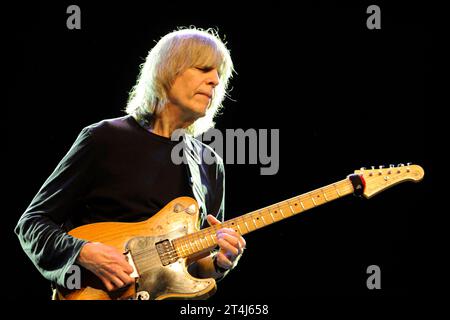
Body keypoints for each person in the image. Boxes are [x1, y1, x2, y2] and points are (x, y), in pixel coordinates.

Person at [14, 27, 246, 297]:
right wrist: (83, 252)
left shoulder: (209, 163)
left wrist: (219, 263)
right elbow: (32, 223)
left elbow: (193, 266)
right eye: (204, 68)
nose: (215, 80)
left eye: (219, 73)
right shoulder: (104, 139)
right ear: (168, 70)